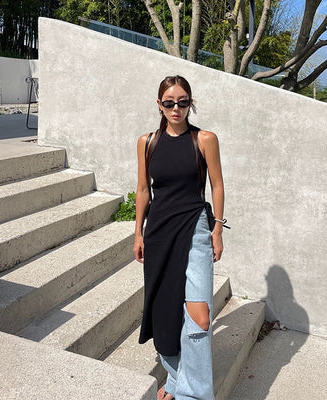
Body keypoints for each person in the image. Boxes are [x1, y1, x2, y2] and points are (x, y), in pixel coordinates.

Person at [133, 75, 226, 400]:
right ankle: (175, 379)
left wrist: (217, 229)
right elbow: (143, 190)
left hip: (195, 227)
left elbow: (217, 185)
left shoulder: (204, 139)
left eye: (183, 102)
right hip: (159, 231)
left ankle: (193, 394)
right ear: (159, 104)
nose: (176, 108)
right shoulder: (147, 142)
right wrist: (138, 233)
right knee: (165, 311)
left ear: (190, 104)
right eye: (169, 102)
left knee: (199, 316)